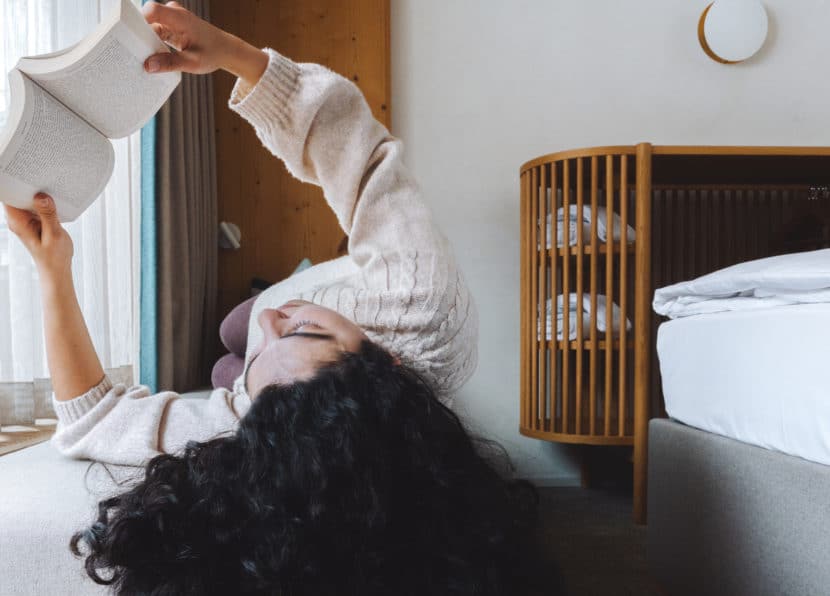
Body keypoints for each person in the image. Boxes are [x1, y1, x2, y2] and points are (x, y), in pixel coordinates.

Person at [3, 2, 555, 594]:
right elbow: (359, 152)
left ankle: (255, 364)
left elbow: (93, 421)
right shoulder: (418, 307)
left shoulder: (253, 424)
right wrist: (235, 55)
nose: (272, 318)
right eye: (305, 331)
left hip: (274, 393)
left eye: (259, 377)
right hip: (345, 295)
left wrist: (52, 267)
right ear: (386, 363)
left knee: (230, 356)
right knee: (238, 326)